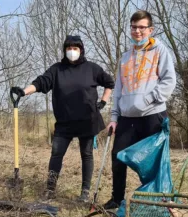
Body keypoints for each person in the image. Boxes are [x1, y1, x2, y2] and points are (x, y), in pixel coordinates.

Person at [13, 35, 114, 202]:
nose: (72, 51)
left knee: (86, 154)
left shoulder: (92, 69)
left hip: (87, 120)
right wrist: (24, 91)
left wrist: (103, 101)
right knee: (56, 154)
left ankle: (84, 193)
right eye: (69, 48)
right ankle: (50, 190)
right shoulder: (57, 70)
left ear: (81, 50)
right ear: (64, 50)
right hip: (64, 122)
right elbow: (40, 83)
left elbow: (110, 83)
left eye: (75, 48)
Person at [103, 10, 177, 209]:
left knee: (152, 162)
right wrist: (114, 117)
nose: (137, 31)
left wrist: (148, 100)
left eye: (142, 27)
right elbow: (118, 89)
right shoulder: (126, 57)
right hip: (127, 117)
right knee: (118, 156)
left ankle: (156, 201)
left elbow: (169, 82)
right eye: (134, 27)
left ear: (150, 30)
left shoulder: (160, 51)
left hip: (152, 115)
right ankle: (116, 199)